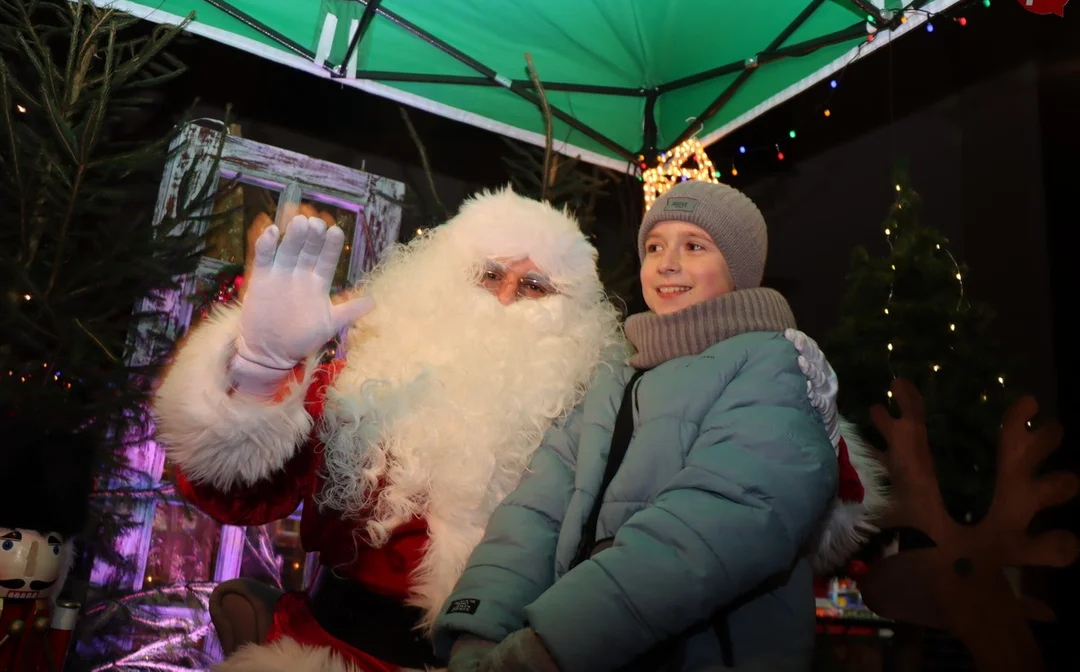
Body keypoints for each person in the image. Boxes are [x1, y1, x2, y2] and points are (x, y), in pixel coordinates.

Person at [151, 186, 844, 672]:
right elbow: (234, 494)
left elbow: (741, 508)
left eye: (536, 285)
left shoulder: (593, 405)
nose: (508, 295)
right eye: (489, 274)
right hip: (320, 654)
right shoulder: (370, 377)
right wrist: (258, 373)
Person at [434, 181, 886, 672]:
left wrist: (549, 647)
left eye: (694, 245)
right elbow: (534, 511)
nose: (667, 263)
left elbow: (716, 523)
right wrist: (476, 630)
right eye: (654, 247)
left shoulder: (774, 365)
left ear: (739, 268)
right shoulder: (612, 379)